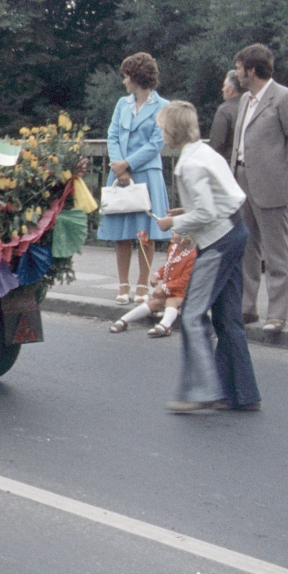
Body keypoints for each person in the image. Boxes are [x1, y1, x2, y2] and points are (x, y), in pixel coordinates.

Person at [154, 101, 259, 413]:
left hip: (217, 241)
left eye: (162, 128)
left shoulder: (189, 165)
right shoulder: (206, 153)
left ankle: (201, 390)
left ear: (172, 130)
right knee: (228, 318)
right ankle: (242, 393)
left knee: (191, 315)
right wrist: (186, 213)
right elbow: (220, 201)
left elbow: (207, 212)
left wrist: (174, 222)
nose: (161, 134)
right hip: (235, 232)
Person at [229, 44, 288, 333]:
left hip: (271, 182)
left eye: (239, 68)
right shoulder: (244, 101)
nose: (236, 73)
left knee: (276, 250)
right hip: (240, 180)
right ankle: (247, 308)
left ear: (252, 70)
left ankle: (277, 314)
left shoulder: (284, 98)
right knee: (246, 247)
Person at [97, 52, 171, 305]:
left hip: (146, 172)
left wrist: (129, 163)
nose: (124, 81)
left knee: (144, 232)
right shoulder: (122, 104)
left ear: (137, 77)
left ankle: (142, 283)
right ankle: (123, 284)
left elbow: (156, 143)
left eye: (126, 76)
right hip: (120, 174)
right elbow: (113, 135)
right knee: (121, 232)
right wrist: (120, 167)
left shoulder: (163, 106)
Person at [110, 231, 196, 337]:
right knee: (154, 302)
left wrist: (164, 287)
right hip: (174, 291)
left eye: (177, 232)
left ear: (187, 238)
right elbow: (168, 266)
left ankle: (165, 325)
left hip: (188, 293)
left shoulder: (193, 255)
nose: (172, 233)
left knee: (171, 301)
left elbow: (185, 280)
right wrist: (158, 275)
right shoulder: (173, 248)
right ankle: (124, 320)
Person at [208, 70, 242, 164]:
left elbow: (217, 143)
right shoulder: (251, 106)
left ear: (231, 89)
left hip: (229, 166)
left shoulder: (224, 110)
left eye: (224, 86)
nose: (222, 89)